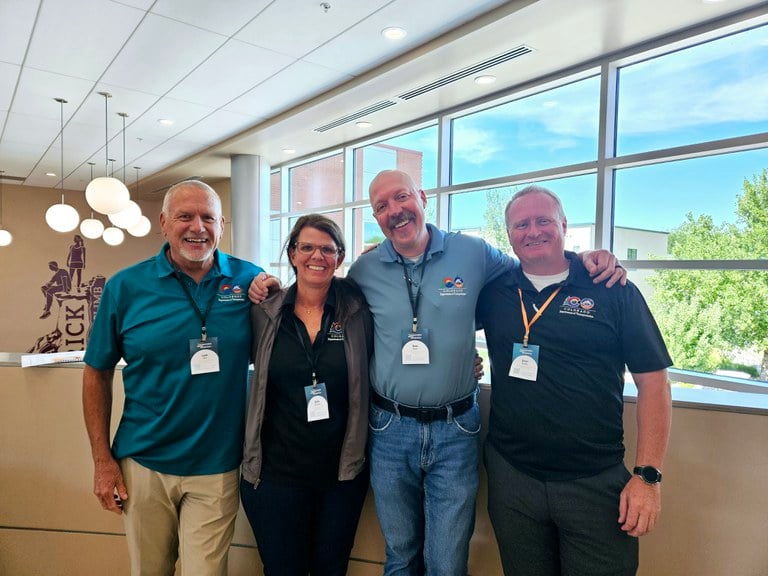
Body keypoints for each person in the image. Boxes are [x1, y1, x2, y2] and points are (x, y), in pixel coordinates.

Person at [344, 170, 626, 575]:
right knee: (401, 555)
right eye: (381, 206)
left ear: (422, 198)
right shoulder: (366, 268)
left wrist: (584, 259)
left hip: (455, 429)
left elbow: (534, 267)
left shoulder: (473, 253)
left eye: (401, 197)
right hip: (389, 429)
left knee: (446, 560)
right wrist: (265, 287)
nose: (394, 211)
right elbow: (331, 309)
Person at [476, 185, 672, 576]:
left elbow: (654, 383)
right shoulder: (494, 291)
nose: (532, 231)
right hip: (512, 478)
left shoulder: (611, 287)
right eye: (521, 224)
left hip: (594, 483)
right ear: (509, 234)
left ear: (564, 225)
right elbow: (441, 319)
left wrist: (648, 477)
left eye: (543, 220)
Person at [82, 180, 263, 576]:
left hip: (218, 466)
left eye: (208, 218)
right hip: (144, 464)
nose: (197, 227)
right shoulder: (125, 287)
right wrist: (102, 460)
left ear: (221, 225)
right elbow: (96, 372)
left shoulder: (250, 281)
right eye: (185, 216)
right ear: (164, 223)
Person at [241, 214, 373, 575]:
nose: (318, 256)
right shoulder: (265, 311)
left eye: (328, 249)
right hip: (275, 475)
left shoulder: (358, 311)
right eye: (308, 247)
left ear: (340, 257)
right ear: (292, 253)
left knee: (332, 569)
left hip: (341, 476)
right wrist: (260, 283)